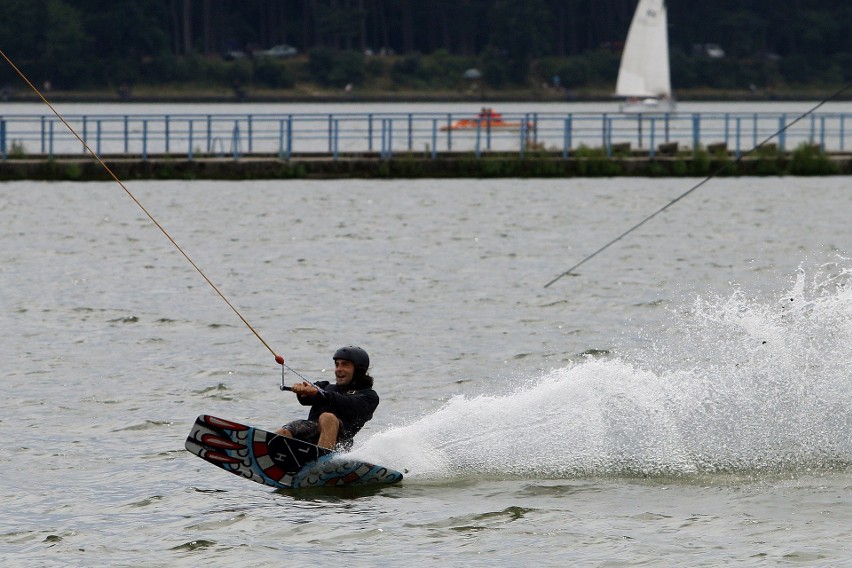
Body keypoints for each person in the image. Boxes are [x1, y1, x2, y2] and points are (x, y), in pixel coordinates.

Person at [275, 346, 378, 451]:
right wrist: (303, 392)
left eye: (345, 365)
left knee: (327, 418)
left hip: (340, 444)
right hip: (311, 433)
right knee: (283, 433)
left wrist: (320, 393)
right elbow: (307, 400)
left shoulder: (369, 396)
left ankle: (323, 460)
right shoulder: (325, 386)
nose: (338, 369)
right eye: (337, 365)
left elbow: (350, 404)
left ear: (359, 370)